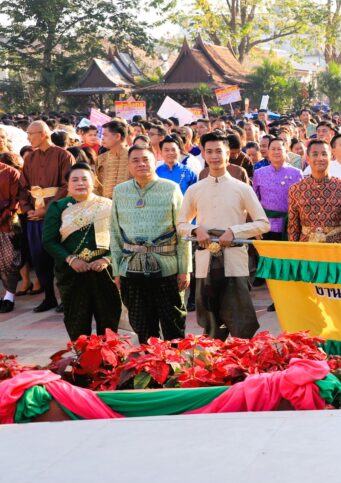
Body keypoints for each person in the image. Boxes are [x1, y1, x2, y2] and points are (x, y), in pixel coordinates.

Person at [178, 131, 270, 339]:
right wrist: (196, 230)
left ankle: (241, 357)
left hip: (235, 261)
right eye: (209, 151)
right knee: (211, 323)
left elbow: (263, 224)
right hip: (205, 262)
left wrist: (234, 231)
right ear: (203, 154)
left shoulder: (242, 188)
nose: (214, 156)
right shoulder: (195, 190)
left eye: (219, 151)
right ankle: (214, 358)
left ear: (228, 154)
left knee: (240, 322)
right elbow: (181, 223)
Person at [110, 146, 190, 341]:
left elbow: (182, 231)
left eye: (146, 159)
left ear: (155, 161)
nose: (141, 164)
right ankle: (149, 360)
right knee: (142, 325)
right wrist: (117, 270)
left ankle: (174, 361)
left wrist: (184, 269)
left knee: (173, 324)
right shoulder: (120, 191)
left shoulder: (171, 188)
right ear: (129, 165)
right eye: (135, 160)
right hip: (131, 268)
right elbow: (115, 232)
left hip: (167, 267)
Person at [41, 163, 121, 339]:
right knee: (77, 322)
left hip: (104, 271)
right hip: (71, 272)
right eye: (75, 180)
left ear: (94, 182)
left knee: (109, 321)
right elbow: (49, 241)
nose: (80, 183)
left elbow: (120, 238)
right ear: (68, 185)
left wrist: (106, 259)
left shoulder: (107, 205)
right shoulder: (58, 207)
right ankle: (83, 356)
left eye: (85, 179)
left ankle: (108, 356)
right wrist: (71, 260)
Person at [18, 120, 74, 313]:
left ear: (43, 134)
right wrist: (28, 209)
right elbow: (23, 187)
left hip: (58, 214)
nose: (28, 137)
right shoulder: (30, 158)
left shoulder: (63, 155)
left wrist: (48, 209)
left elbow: (67, 186)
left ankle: (67, 298)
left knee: (60, 257)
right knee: (39, 257)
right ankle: (49, 297)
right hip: (35, 216)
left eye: (30, 134)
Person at [287, 139, 341, 244]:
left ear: (331, 157)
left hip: (337, 249)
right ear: (308, 158)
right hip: (306, 249)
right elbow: (293, 227)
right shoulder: (296, 190)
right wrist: (293, 252)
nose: (320, 158)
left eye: (324, 154)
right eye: (315, 154)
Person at [252, 137, 303, 242]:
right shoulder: (259, 173)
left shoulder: (296, 173)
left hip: (290, 226)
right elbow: (254, 202)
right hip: (265, 226)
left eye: (279, 149)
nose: (276, 152)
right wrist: (255, 226)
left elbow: (301, 202)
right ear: (268, 152)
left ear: (286, 152)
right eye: (273, 149)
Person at [0, 157, 20, 313]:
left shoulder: (10, 172)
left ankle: (9, 296)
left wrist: (4, 215)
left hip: (6, 223)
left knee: (9, 260)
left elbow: (15, 201)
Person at [94, 119, 131, 198]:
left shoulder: (134, 157)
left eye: (105, 135)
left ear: (117, 136)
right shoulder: (101, 159)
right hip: (106, 204)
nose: (102, 138)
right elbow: (96, 186)